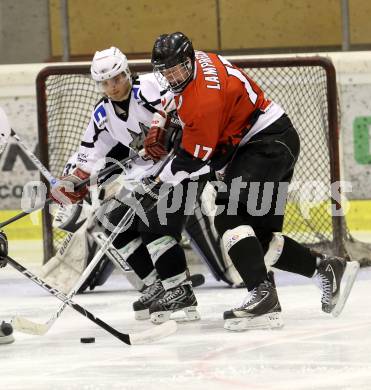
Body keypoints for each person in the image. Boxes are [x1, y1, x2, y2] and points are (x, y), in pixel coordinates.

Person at [140, 31, 359, 331]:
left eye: (177, 69)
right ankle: (329, 269)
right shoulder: (200, 61)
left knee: (228, 218)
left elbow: (192, 160)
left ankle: (262, 295)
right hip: (273, 141)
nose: (172, 76)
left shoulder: (202, 102)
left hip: (263, 144)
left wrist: (157, 180)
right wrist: (161, 120)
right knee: (256, 238)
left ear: (189, 62)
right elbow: (174, 101)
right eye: (165, 71)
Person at [51, 47, 200, 324]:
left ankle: (181, 289)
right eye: (105, 82)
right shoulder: (102, 114)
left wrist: (167, 131)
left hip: (180, 168)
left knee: (153, 221)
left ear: (126, 73)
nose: (113, 87)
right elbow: (89, 155)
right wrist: (72, 180)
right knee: (111, 220)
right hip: (144, 175)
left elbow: (186, 111)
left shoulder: (150, 88)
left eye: (117, 78)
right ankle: (158, 285)